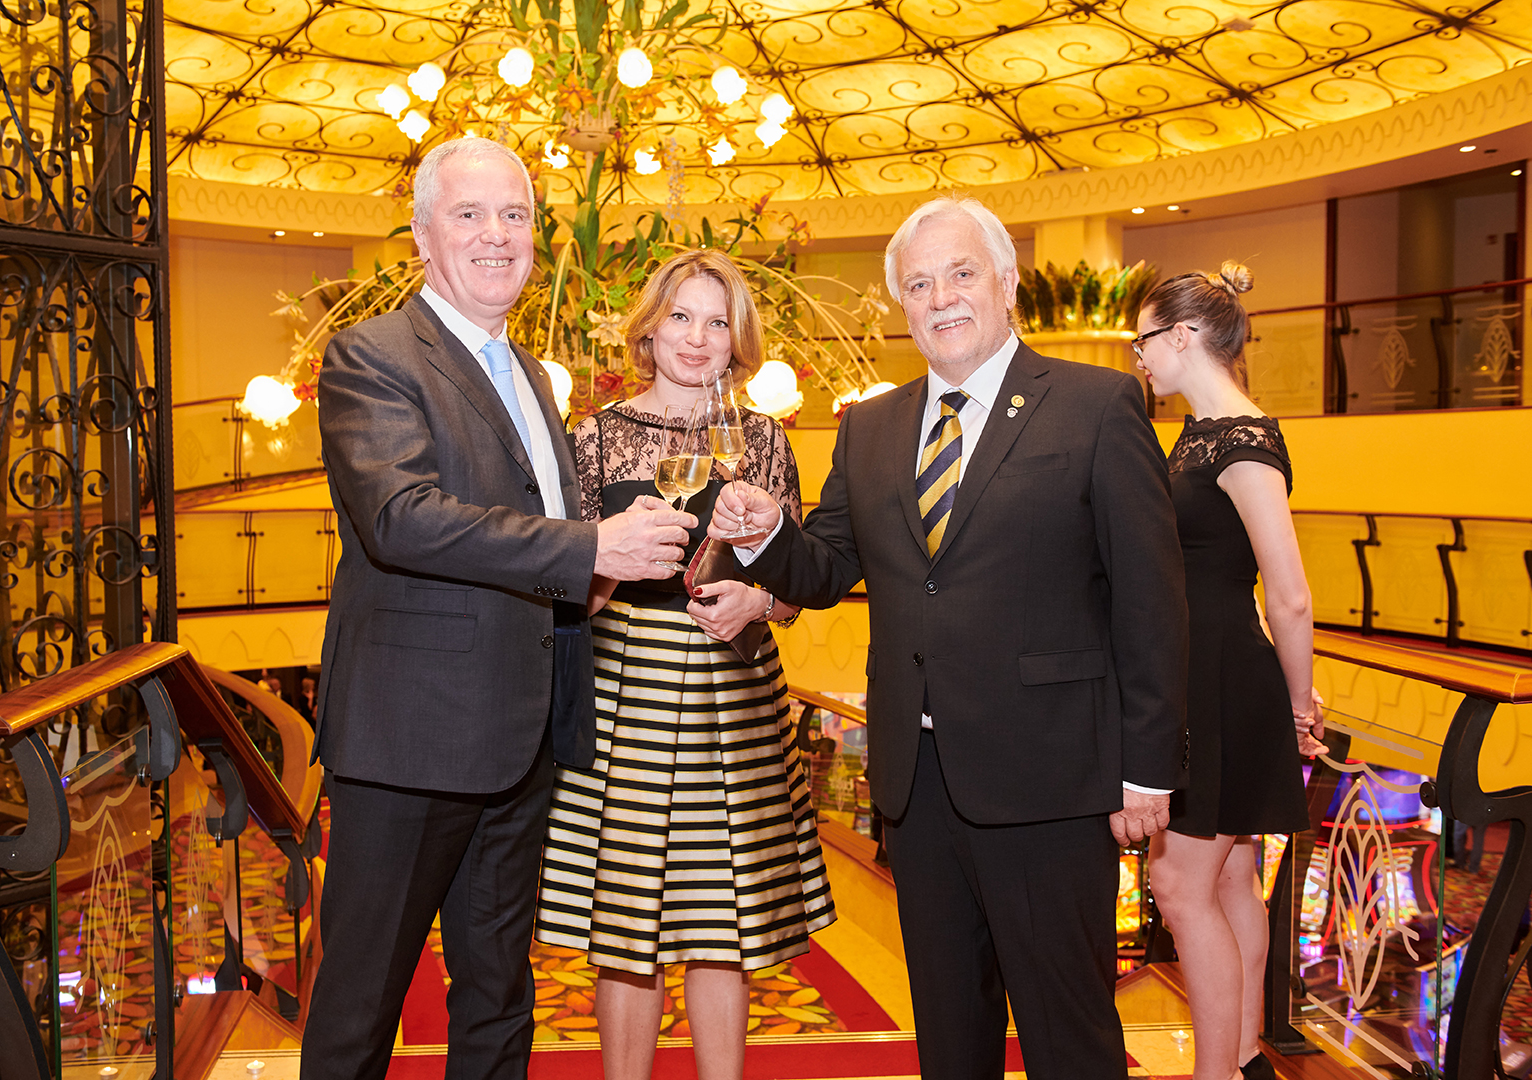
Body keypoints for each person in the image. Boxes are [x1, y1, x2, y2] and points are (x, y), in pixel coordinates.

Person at [710, 194, 1189, 1080]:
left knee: (1069, 1038)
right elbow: (825, 569)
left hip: (1052, 780)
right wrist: (765, 534)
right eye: (919, 283)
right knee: (948, 1037)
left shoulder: (1096, 404)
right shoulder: (869, 426)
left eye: (961, 273)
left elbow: (1150, 599)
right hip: (917, 785)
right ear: (903, 303)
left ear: (1005, 282)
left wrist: (1148, 768)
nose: (941, 298)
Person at [302, 137, 695, 1080]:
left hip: (520, 738)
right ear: (422, 235)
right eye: (470, 214)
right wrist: (587, 549)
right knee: (361, 1009)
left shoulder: (529, 372)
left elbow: (536, 525)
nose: (497, 235)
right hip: (408, 743)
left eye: (515, 216)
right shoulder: (371, 354)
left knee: (498, 1002)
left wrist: (594, 578)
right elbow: (401, 518)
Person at [536, 249, 835, 1080]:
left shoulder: (762, 439)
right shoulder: (595, 437)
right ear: (649, 328)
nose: (697, 338)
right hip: (622, 690)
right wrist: (613, 565)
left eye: (716, 322)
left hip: (732, 690)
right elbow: (564, 585)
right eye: (680, 317)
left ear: (737, 340)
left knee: (723, 918)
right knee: (623, 921)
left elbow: (795, 587)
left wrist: (757, 601)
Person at [1131, 262, 1326, 1080]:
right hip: (1202, 670)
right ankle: (1244, 1058)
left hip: (1220, 677)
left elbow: (1288, 594)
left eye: (1142, 340)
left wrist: (1297, 703)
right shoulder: (1199, 432)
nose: (1138, 357)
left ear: (1180, 336)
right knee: (1230, 879)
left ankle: (1217, 1072)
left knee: (1179, 888)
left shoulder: (1244, 439)